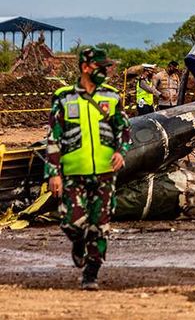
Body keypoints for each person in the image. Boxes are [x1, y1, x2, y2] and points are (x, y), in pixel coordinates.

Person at [45, 46, 131, 290]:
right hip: (72, 172)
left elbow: (123, 130)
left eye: (107, 67)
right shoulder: (63, 98)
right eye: (100, 67)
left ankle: (91, 273)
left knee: (99, 223)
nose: (105, 71)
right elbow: (54, 137)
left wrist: (120, 152)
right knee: (72, 221)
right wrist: (53, 173)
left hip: (104, 173)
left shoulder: (112, 97)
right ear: (85, 67)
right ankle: (78, 242)